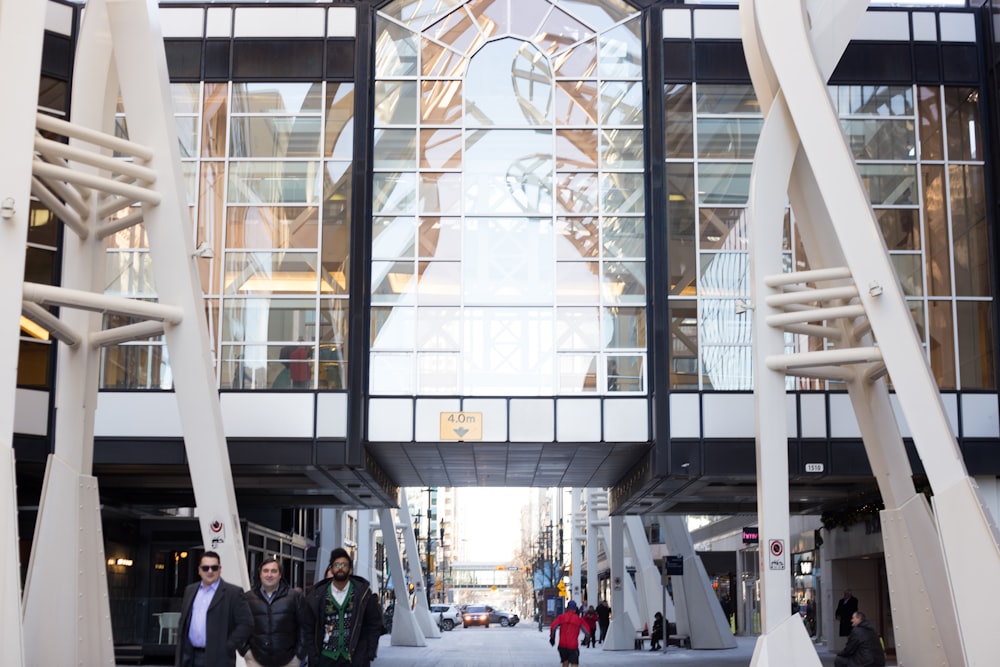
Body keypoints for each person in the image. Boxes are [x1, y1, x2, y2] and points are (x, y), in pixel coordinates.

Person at [302, 547, 382, 667]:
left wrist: (369, 652)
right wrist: (313, 655)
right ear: (331, 568)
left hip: (354, 658)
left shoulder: (363, 594)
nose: (340, 567)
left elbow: (374, 624)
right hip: (325, 658)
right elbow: (308, 627)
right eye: (337, 564)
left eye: (344, 564)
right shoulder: (317, 595)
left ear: (350, 570)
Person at [175, 551, 253, 667]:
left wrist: (229, 645)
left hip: (219, 658)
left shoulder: (233, 593)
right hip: (190, 656)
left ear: (220, 569)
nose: (210, 571)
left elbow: (246, 624)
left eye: (214, 568)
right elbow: (184, 621)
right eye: (206, 568)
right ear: (199, 570)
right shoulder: (190, 590)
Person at [244, 557, 306, 667]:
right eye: (265, 571)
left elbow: (304, 627)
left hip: (288, 662)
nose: (269, 575)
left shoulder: (294, 597)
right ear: (260, 574)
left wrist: (298, 656)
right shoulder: (248, 598)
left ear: (280, 575)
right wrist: (246, 653)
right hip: (256, 662)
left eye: (273, 571)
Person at [549, 600, 590, 667]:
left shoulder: (561, 617)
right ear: (575, 609)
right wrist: (586, 640)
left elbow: (553, 627)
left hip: (562, 645)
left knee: (565, 663)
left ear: (567, 608)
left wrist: (552, 638)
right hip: (573, 646)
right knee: (574, 663)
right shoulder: (578, 619)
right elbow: (587, 632)